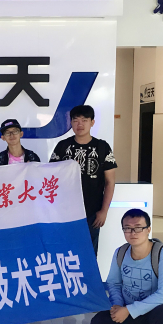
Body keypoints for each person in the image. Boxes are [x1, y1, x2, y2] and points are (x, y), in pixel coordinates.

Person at [49, 105, 116, 255]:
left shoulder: (102, 147)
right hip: (65, 211)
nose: (80, 124)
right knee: (65, 251)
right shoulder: (62, 146)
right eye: (76, 120)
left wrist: (104, 211)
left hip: (92, 211)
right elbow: (51, 177)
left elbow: (110, 182)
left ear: (92, 122)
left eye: (84, 120)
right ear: (71, 123)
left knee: (89, 253)